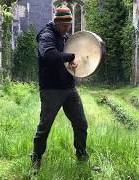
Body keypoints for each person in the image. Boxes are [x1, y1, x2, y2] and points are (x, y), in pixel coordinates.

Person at [30, 6, 89, 171]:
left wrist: (76, 61)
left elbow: (73, 55)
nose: (67, 28)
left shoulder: (66, 37)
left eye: (69, 25)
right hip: (51, 90)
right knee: (45, 126)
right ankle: (36, 158)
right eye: (64, 26)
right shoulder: (45, 36)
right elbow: (49, 54)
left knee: (81, 123)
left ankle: (82, 156)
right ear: (56, 22)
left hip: (69, 89)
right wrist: (70, 57)